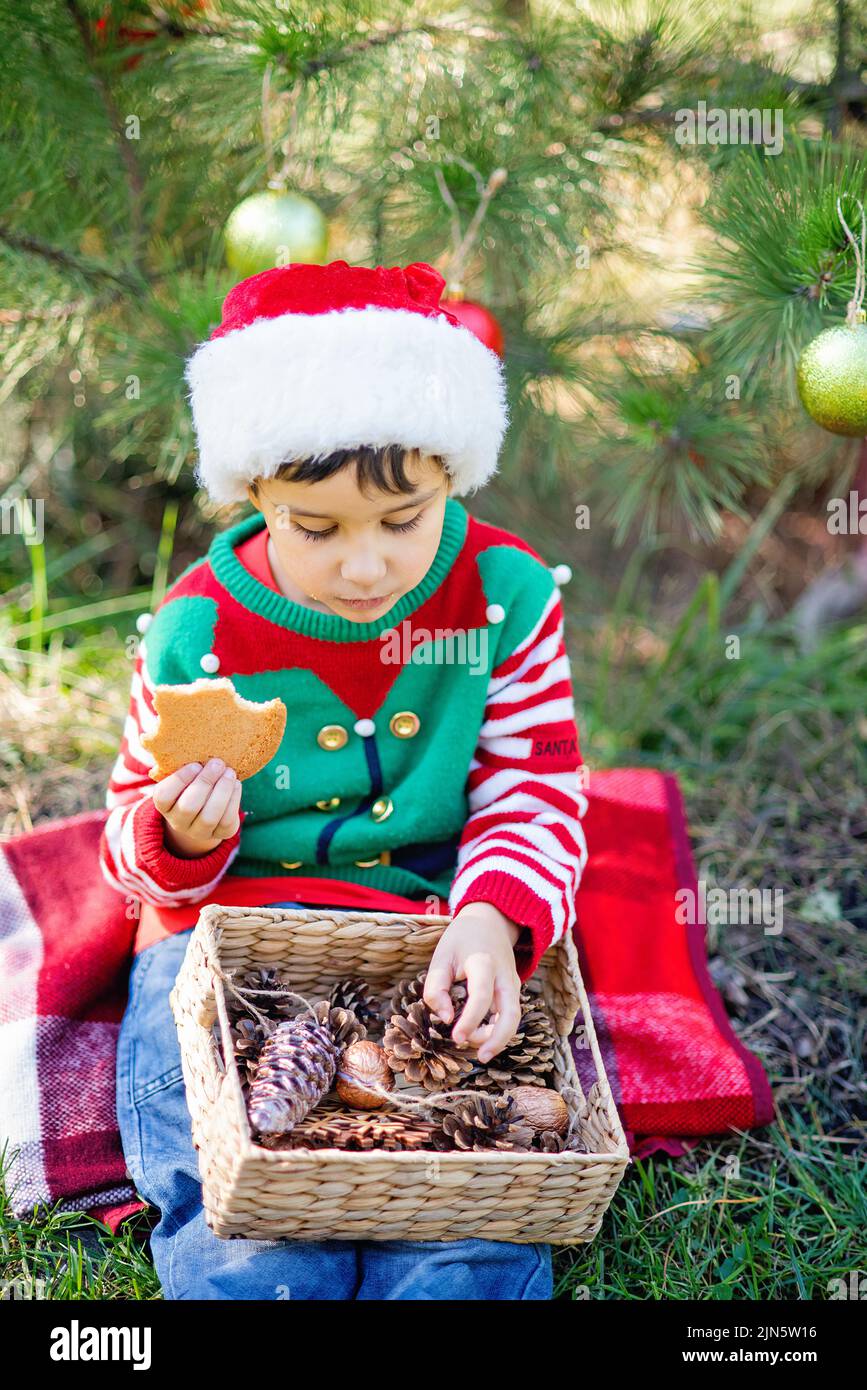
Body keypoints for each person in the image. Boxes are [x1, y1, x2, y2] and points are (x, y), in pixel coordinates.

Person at [102, 258, 588, 1300]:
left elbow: (535, 786)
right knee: (241, 1200)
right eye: (316, 529)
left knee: (473, 1192)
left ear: (452, 478)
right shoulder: (199, 633)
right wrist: (177, 843)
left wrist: (495, 918)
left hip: (425, 927)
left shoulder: (503, 595)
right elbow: (124, 841)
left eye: (402, 519)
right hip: (222, 938)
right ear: (256, 495)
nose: (364, 566)